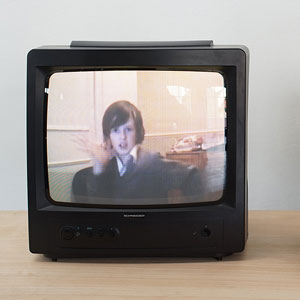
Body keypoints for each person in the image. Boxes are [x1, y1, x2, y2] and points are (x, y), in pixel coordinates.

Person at [72, 100, 206, 204]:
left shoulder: (154, 162)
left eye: (128, 129)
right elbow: (99, 212)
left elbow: (192, 174)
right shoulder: (106, 167)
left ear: (137, 132)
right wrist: (99, 167)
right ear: (108, 135)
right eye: (116, 130)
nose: (122, 137)